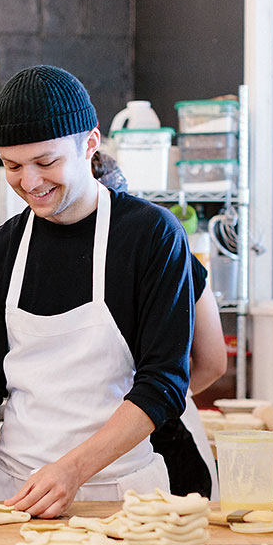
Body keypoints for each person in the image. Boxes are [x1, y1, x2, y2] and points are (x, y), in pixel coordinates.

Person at [0, 65, 195, 518]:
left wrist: (73, 470)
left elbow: (164, 384)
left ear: (89, 144)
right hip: (12, 493)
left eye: (46, 162)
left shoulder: (151, 235)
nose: (29, 183)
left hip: (122, 494)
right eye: (13, 166)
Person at [93, 151, 226, 499]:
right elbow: (213, 362)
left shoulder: (165, 245)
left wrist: (139, 410)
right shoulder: (167, 246)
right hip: (168, 437)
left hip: (158, 454)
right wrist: (160, 399)